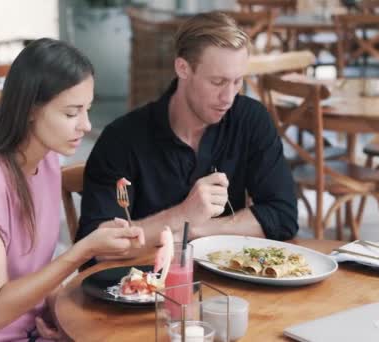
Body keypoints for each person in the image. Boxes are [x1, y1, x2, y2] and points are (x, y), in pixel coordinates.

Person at [0, 38, 145, 341]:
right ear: (29, 109)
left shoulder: (47, 161)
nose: (85, 125)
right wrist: (84, 251)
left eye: (87, 110)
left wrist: (61, 322)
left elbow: (35, 269)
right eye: (71, 113)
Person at [76, 12, 298, 258]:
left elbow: (282, 216)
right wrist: (183, 214)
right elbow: (96, 247)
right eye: (217, 82)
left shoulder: (250, 119)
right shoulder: (122, 138)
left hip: (226, 286)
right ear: (182, 68)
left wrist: (194, 229)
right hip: (142, 287)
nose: (228, 98)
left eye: (237, 82)